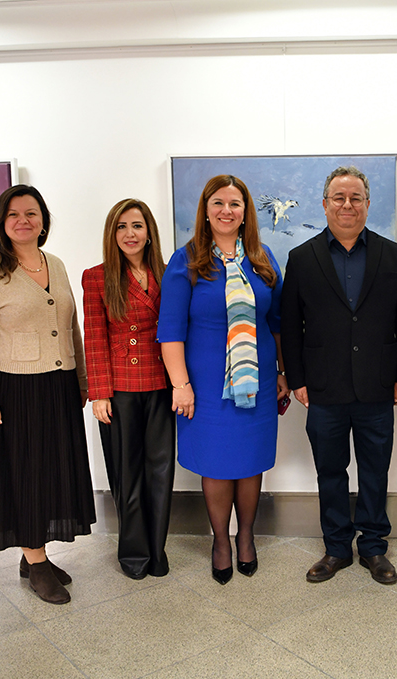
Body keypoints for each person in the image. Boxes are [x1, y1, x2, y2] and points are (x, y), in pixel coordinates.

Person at [280, 166, 397, 585]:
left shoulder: (392, 255)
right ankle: (337, 547)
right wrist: (297, 379)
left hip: (378, 383)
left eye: (356, 198)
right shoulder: (301, 258)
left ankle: (373, 546)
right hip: (323, 386)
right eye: (339, 197)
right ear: (325, 205)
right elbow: (290, 324)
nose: (347, 205)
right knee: (330, 471)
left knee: (375, 470)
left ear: (367, 205)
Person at [0, 184, 95, 605]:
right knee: (24, 476)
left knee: (51, 472)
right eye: (14, 214)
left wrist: (82, 379)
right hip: (14, 390)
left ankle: (34, 554)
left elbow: (71, 327)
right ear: (2, 222)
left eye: (31, 213)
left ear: (43, 220)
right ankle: (36, 564)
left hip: (59, 385)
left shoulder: (55, 264)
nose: (23, 221)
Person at [157, 175, 288, 585]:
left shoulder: (262, 257)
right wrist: (180, 385)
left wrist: (282, 372)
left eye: (235, 204)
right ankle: (220, 542)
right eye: (218, 203)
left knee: (250, 463)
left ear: (246, 211)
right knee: (215, 464)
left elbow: (277, 322)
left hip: (258, 382)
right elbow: (170, 330)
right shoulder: (187, 260)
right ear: (206, 209)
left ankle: (246, 536)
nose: (226, 211)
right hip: (206, 387)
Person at [82, 199, 174, 580]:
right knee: (127, 473)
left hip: (162, 384)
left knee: (161, 472)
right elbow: (94, 337)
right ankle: (134, 553)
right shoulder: (97, 277)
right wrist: (99, 392)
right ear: (112, 233)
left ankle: (157, 550)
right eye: (121, 227)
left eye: (136, 226)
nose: (129, 234)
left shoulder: (169, 273)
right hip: (119, 388)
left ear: (149, 231)